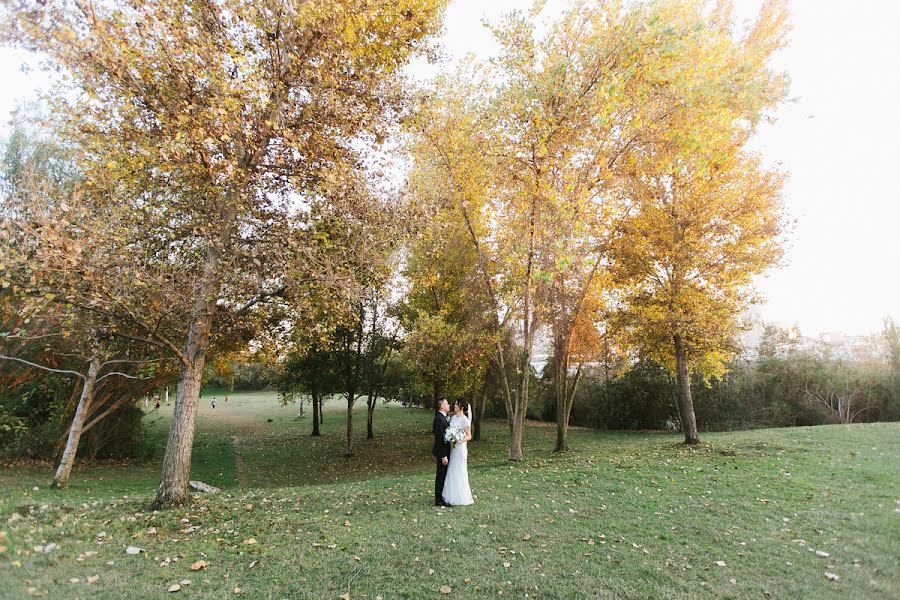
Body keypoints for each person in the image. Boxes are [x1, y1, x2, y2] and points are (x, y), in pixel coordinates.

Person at [442, 399, 474, 507]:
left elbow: (469, 435)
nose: (454, 405)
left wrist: (460, 440)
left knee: (460, 470)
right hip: (453, 449)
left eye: (456, 404)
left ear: (462, 406)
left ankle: (461, 496)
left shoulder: (465, 420)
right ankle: (450, 495)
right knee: (452, 469)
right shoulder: (453, 418)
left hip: (460, 449)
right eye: (454, 404)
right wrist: (451, 437)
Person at [432, 398, 451, 507]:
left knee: (443, 475)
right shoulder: (439, 419)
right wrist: (443, 455)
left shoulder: (443, 418)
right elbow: (439, 439)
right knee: (441, 475)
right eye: (447, 403)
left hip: (445, 451)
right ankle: (438, 499)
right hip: (441, 452)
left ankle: (441, 496)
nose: (449, 405)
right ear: (442, 406)